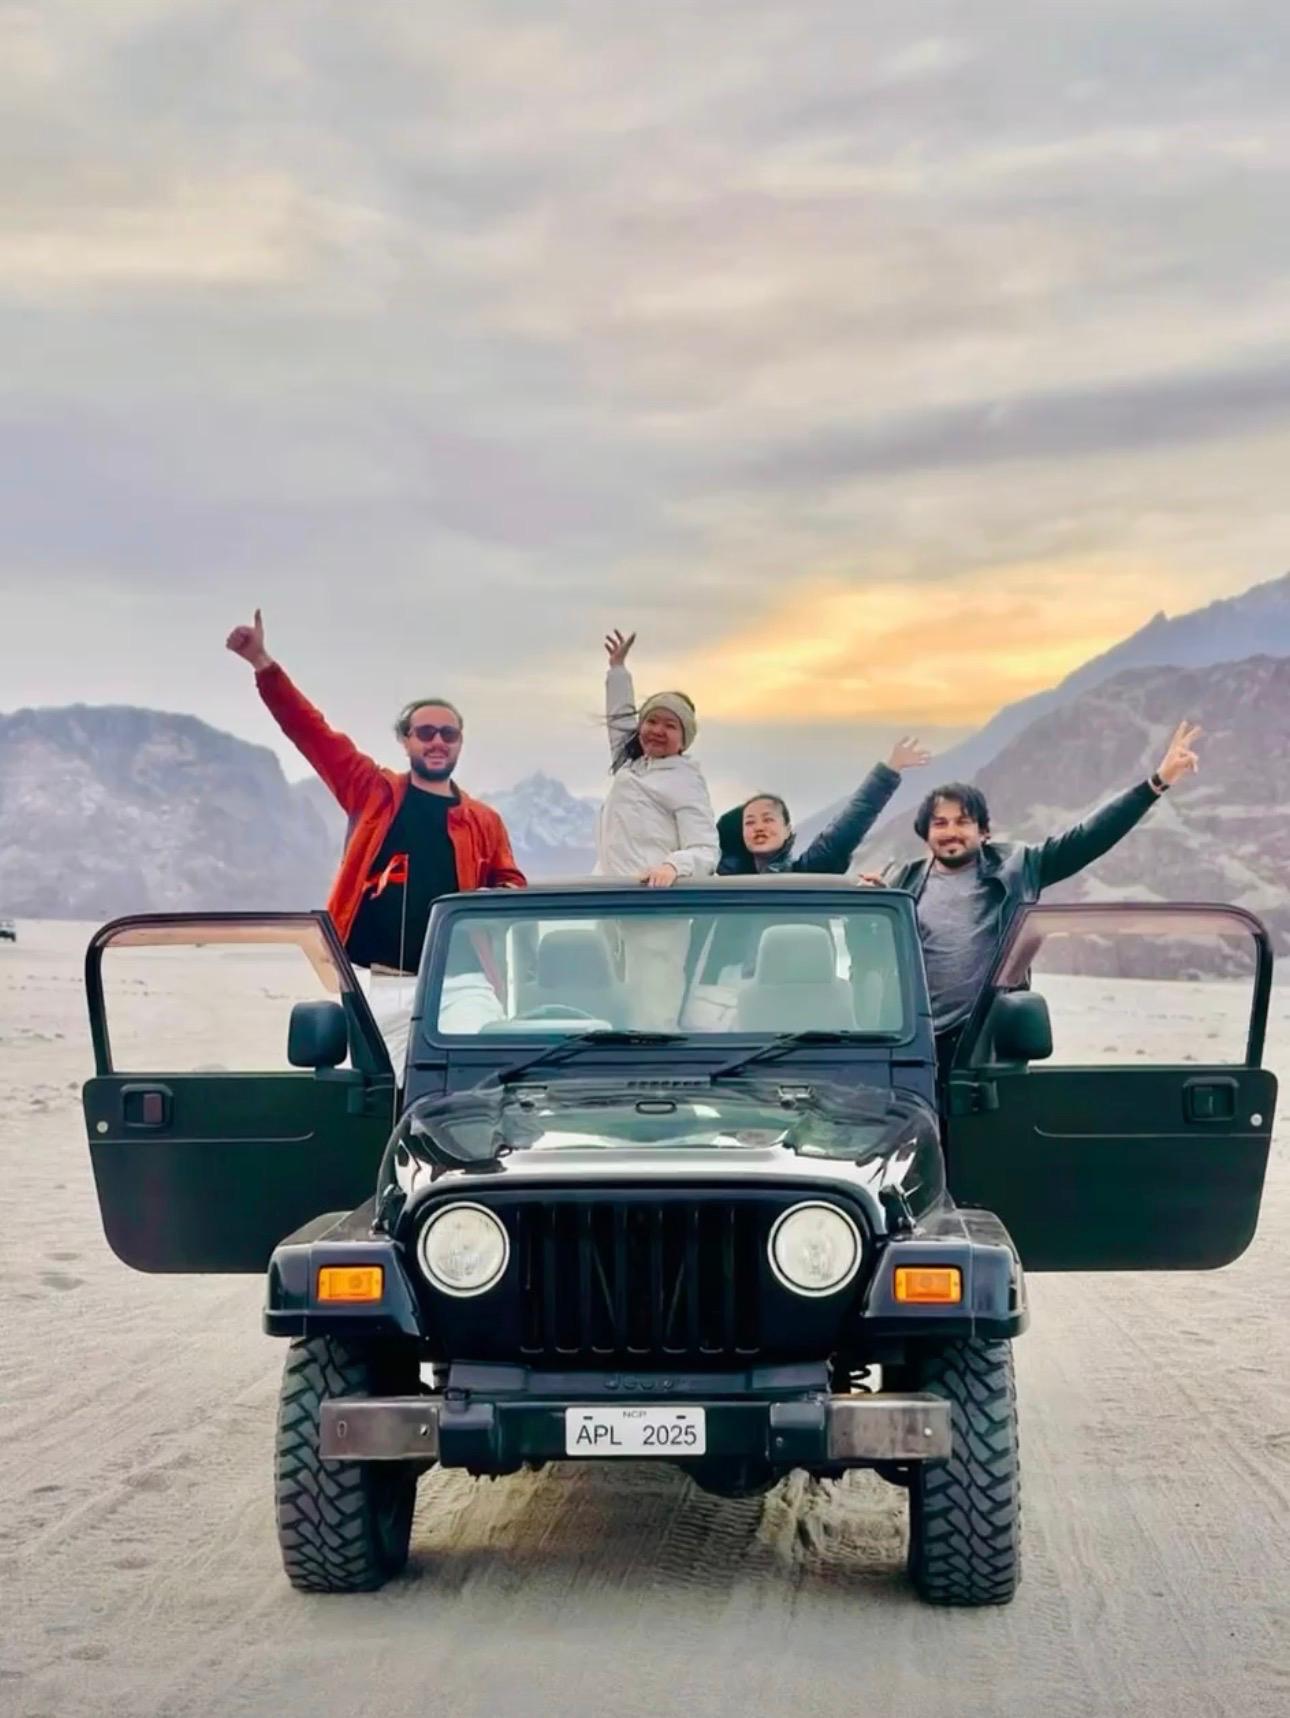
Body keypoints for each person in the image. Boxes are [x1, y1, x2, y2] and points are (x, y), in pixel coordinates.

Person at [225, 609, 524, 1055]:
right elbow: (312, 732)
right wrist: (262, 663)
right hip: (383, 983)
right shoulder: (371, 791)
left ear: (460, 742)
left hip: (463, 982)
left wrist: (496, 897)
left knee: (473, 1073)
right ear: (406, 741)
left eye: (448, 733)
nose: (437, 741)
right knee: (380, 1095)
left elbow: (511, 885)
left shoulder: (483, 820)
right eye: (425, 732)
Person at [881, 720, 1204, 1089]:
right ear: (926, 834)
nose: (950, 831)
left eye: (962, 822)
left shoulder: (1019, 866)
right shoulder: (903, 881)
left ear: (984, 831)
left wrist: (1156, 783)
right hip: (916, 1049)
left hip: (988, 1048)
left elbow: (1087, 838)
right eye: (939, 823)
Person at [595, 628, 718, 1027]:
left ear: (684, 739)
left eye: (670, 725)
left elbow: (705, 849)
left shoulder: (684, 778)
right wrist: (618, 671)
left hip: (657, 911)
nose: (656, 731)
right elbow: (619, 723)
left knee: (653, 1007)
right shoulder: (633, 767)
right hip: (611, 905)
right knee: (610, 1005)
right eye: (651, 721)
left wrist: (672, 867)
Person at [716, 736, 932, 876]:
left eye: (768, 819)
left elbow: (850, 823)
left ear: (788, 829)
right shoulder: (719, 879)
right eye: (750, 822)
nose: (759, 827)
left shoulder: (810, 873)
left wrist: (888, 770)